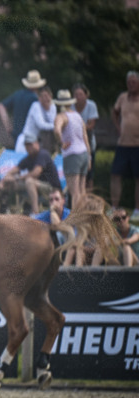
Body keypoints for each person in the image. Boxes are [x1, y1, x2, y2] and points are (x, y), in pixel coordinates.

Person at [64, 195, 134, 267]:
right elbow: (78, 243)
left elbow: (103, 245)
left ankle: (94, 270)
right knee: (75, 249)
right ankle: (69, 270)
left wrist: (83, 248)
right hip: (91, 257)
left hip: (108, 260)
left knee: (99, 249)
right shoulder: (85, 228)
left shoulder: (105, 227)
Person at [0, 133, 61, 215]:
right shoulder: (29, 158)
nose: (28, 147)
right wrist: (6, 177)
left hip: (51, 188)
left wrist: (17, 178)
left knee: (29, 181)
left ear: (37, 143)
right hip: (37, 187)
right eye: (26, 145)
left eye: (30, 144)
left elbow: (36, 173)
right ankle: (5, 209)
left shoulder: (43, 154)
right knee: (10, 183)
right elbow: (15, 169)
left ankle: (35, 213)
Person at [53, 89, 89, 209]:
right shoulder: (77, 116)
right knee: (82, 191)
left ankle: (75, 218)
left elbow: (57, 130)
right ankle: (84, 217)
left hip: (72, 155)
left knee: (74, 192)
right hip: (83, 153)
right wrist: (89, 156)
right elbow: (85, 136)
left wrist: (61, 142)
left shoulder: (61, 116)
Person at [110, 70, 139, 221]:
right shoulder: (122, 97)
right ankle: (114, 207)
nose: (131, 84)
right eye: (129, 82)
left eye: (134, 82)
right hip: (122, 144)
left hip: (137, 145)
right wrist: (117, 127)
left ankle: (137, 210)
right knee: (115, 175)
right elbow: (114, 112)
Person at [0, 69, 44, 148]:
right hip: (32, 138)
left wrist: (8, 126)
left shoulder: (18, 94)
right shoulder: (36, 99)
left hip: (17, 135)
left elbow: (1, 106)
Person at [73, 83, 99, 190]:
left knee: (89, 174)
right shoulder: (70, 106)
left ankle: (88, 196)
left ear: (86, 95)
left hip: (88, 142)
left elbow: (91, 125)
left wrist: (77, 127)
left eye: (81, 94)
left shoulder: (91, 105)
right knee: (75, 173)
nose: (78, 97)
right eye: (76, 94)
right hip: (73, 144)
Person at [19, 86, 56, 153]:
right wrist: (56, 126)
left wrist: (48, 110)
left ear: (51, 96)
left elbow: (52, 122)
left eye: (47, 96)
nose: (46, 98)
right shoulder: (35, 106)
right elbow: (41, 125)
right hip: (26, 140)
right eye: (43, 96)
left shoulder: (52, 107)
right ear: (39, 98)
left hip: (37, 142)